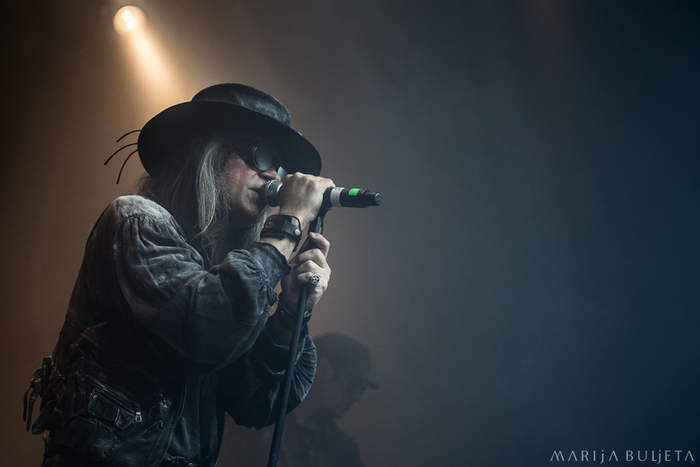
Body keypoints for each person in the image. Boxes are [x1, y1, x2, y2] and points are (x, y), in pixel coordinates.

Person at [23, 83, 336, 467]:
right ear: (205, 154)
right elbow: (206, 327)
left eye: (281, 165)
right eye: (261, 153)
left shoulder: (229, 269)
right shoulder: (135, 220)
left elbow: (255, 403)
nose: (274, 173)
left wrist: (289, 315)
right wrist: (286, 227)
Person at [218, 332, 378, 467]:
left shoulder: (343, 450)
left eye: (362, 389)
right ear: (322, 368)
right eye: (355, 385)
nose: (357, 397)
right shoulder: (251, 423)